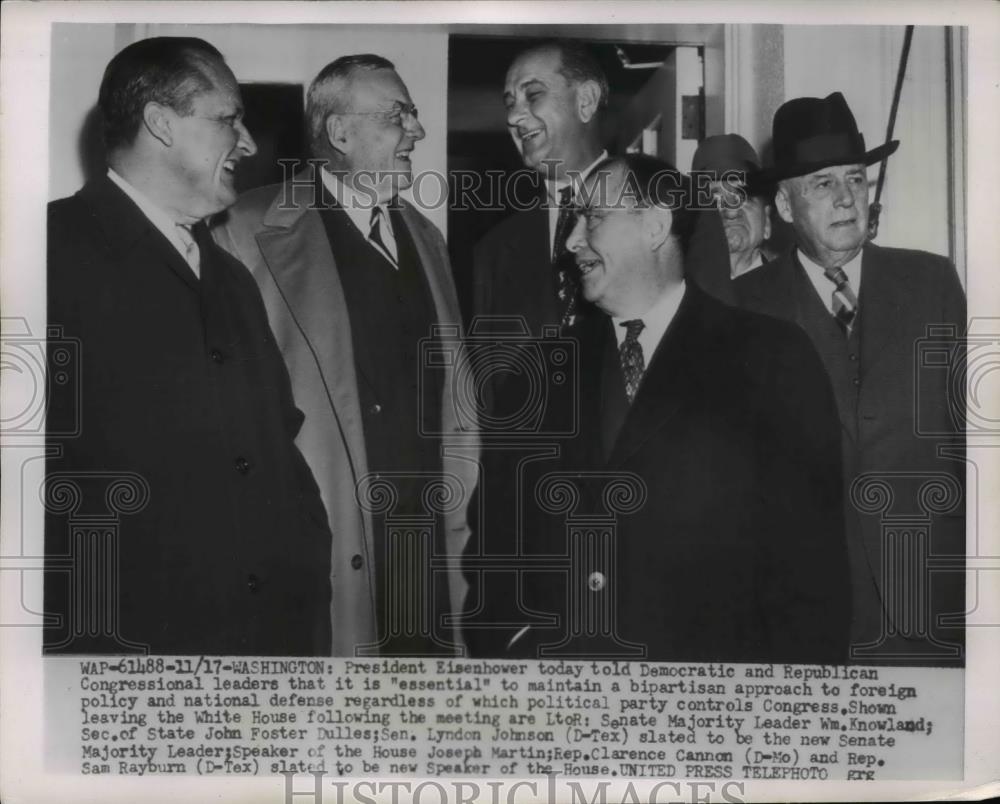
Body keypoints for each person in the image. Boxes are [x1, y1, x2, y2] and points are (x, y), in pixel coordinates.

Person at [45, 36, 332, 656]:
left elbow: (276, 447)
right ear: (160, 123)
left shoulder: (229, 275)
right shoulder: (47, 253)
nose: (248, 143)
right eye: (229, 119)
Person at [511, 154, 850, 663]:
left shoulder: (771, 359)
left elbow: (811, 569)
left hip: (713, 707)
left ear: (655, 226)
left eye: (593, 217)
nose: (573, 240)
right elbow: (497, 544)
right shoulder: (536, 372)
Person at [214, 54, 476, 657]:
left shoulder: (428, 238)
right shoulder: (244, 230)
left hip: (430, 570)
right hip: (326, 569)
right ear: (340, 132)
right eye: (398, 115)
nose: (419, 130)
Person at [734, 92, 966, 665]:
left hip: (928, 609)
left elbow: (976, 442)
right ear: (785, 207)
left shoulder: (932, 282)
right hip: (802, 621)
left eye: (855, 179)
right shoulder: (744, 309)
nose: (845, 198)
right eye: (821, 184)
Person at [691, 133, 774, 277]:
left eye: (743, 196)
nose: (731, 212)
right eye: (715, 198)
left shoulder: (794, 294)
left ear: (766, 221)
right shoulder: (678, 295)